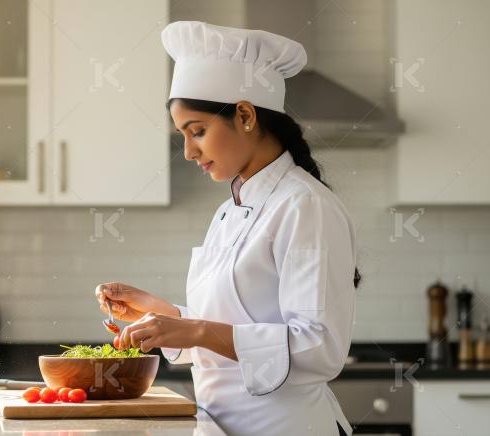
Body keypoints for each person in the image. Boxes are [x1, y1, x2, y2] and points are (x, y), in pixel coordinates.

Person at [94, 21, 358, 436]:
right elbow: (229, 325)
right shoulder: (231, 210)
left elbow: (319, 348)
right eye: (183, 135)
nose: (187, 151)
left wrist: (194, 330)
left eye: (197, 131)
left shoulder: (304, 205)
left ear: (246, 115)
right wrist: (160, 312)